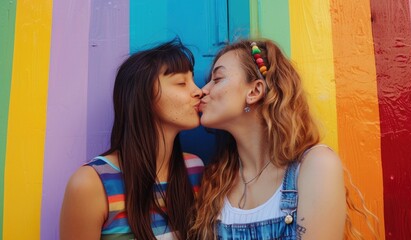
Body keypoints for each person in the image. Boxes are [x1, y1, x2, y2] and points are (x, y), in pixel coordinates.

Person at [190, 39, 377, 240]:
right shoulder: (215, 180)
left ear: (254, 91)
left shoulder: (315, 166)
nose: (203, 91)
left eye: (217, 79)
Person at [60, 38, 204, 240]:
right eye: (181, 83)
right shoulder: (91, 184)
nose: (198, 91)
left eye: (193, 81)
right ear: (143, 96)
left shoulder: (195, 170)